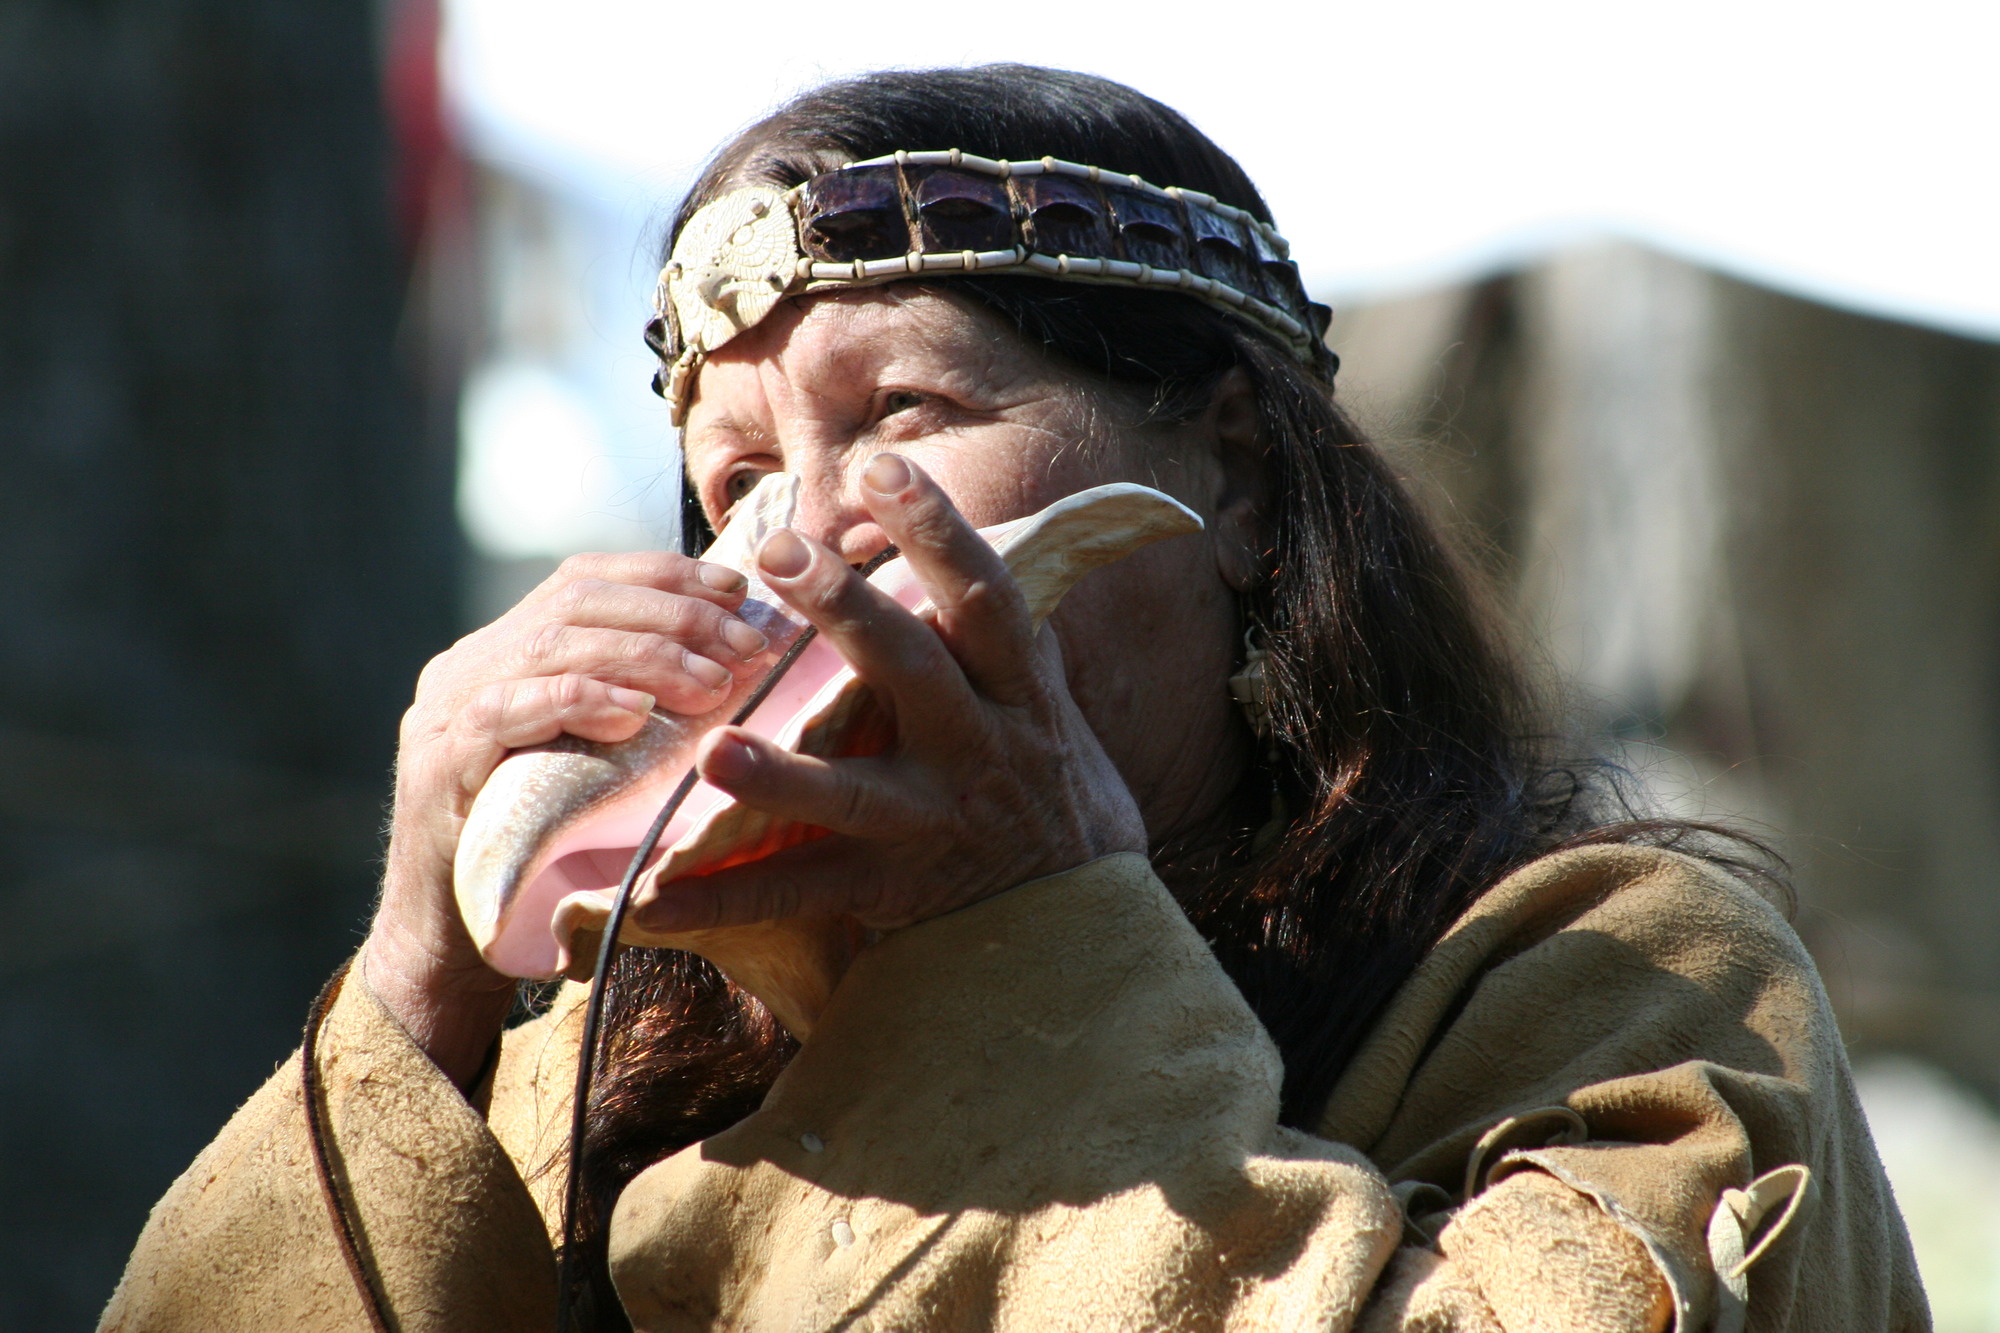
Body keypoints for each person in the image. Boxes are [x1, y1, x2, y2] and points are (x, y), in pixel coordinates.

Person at [101, 66, 1927, 1333]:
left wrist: (1023, 944)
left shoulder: (1618, 975)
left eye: (905, 418)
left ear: (1234, 477)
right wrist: (420, 992)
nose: (795, 537)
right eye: (730, 479)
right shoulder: (619, 1047)